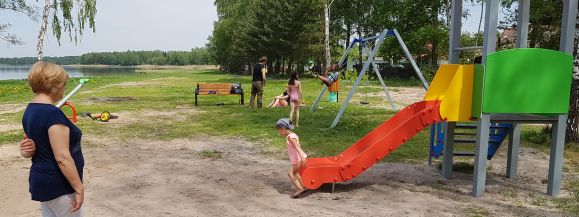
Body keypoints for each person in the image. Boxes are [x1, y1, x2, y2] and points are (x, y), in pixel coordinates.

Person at [21, 61, 85, 217]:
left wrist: (26, 151)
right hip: (59, 185)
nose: (64, 89)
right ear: (54, 85)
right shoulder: (52, 114)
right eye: (64, 85)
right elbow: (62, 157)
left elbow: (34, 144)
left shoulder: (30, 110)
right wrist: (79, 188)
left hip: (43, 182)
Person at [275, 118, 308, 198]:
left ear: (283, 128)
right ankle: (304, 186)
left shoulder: (290, 137)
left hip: (298, 159)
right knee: (296, 173)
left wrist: (302, 157)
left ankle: (299, 188)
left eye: (278, 130)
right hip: (298, 158)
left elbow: (297, 147)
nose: (278, 132)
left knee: (290, 173)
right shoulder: (293, 135)